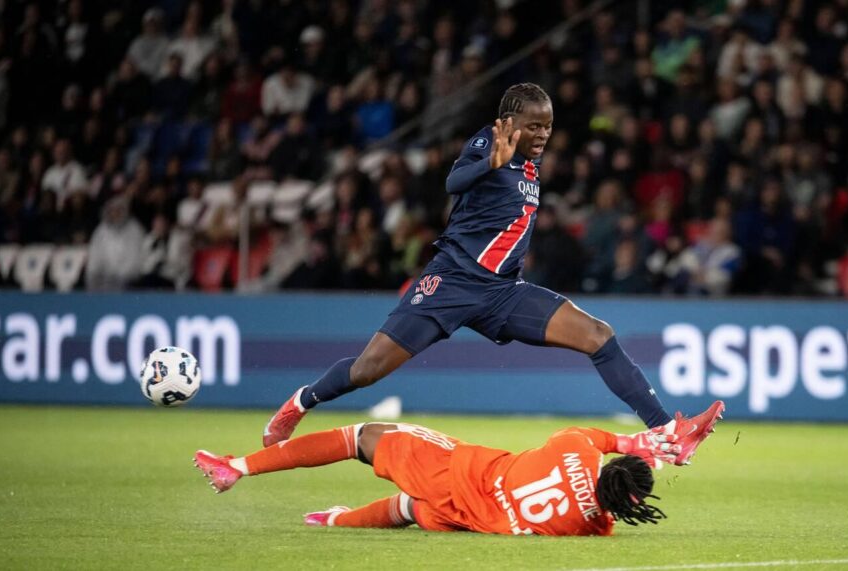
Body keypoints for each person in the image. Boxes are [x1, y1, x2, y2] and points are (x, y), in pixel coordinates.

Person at [263, 83, 723, 464]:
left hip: (503, 292)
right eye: (534, 126)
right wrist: (490, 163)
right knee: (367, 371)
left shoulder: (531, 162)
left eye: (548, 126)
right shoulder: (489, 142)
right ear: (509, 122)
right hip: (452, 282)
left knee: (598, 335)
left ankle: (668, 433)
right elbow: (453, 182)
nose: (542, 134)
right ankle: (301, 401)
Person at [194, 416, 721, 535]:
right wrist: (653, 462)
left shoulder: (576, 449)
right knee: (408, 510)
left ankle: (237, 467)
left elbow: (600, 441)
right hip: (469, 518)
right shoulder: (593, 526)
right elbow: (617, 492)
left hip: (457, 470)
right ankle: (332, 521)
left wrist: (647, 443)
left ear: (611, 466)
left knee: (358, 438)